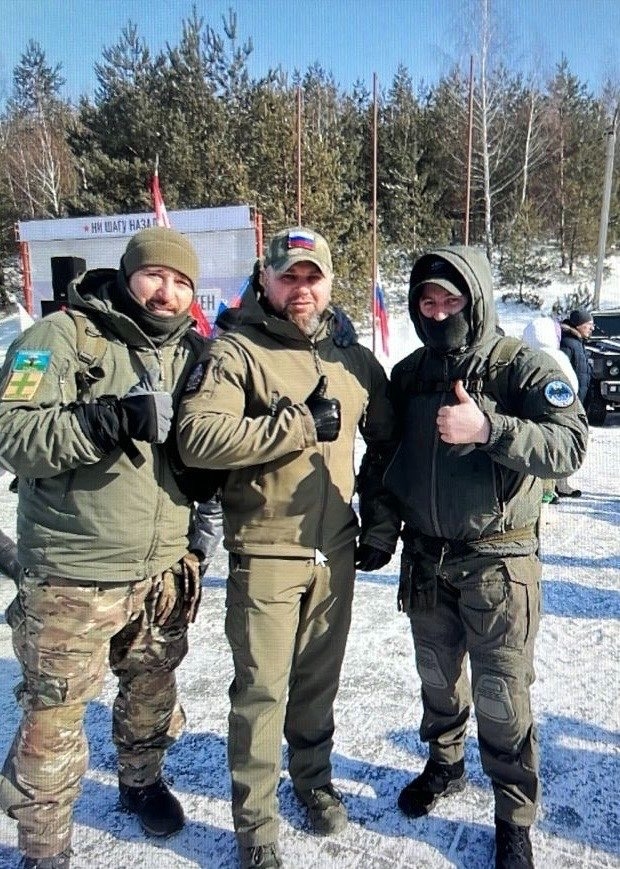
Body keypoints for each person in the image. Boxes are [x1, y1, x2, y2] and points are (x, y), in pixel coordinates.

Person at [176, 226, 399, 869]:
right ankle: (257, 824)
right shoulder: (237, 352)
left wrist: (378, 520)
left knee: (317, 686)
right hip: (266, 552)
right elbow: (199, 439)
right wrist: (299, 423)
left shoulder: (351, 359)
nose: (300, 289)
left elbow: (387, 444)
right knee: (260, 693)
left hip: (334, 550)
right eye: (288, 277)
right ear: (266, 281)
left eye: (312, 277)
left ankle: (313, 780)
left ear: (329, 283)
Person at [0, 226, 210, 869]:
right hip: (74, 571)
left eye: (181, 283)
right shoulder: (60, 337)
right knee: (54, 719)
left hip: (162, 569)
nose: (166, 292)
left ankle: (141, 781)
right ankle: (44, 848)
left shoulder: (199, 353)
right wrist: (108, 418)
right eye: (155, 276)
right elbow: (11, 433)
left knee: (150, 692)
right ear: (127, 274)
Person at [384, 246, 588, 869]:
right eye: (428, 300)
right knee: (438, 682)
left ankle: (513, 812)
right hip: (426, 561)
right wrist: (380, 526)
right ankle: (444, 766)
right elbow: (387, 459)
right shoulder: (412, 372)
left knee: (503, 696)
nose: (439, 310)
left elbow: (570, 445)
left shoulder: (523, 367)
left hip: (498, 565)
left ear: (475, 301)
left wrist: (489, 430)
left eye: (451, 300)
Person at [522, 316, 581, 500]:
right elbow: (573, 384)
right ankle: (549, 493)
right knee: (552, 453)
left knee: (533, 454)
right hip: (556, 416)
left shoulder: (522, 357)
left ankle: (540, 494)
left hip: (529, 415)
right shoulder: (558, 357)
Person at [559, 308, 594, 405]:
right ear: (579, 325)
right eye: (589, 325)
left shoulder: (578, 343)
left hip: (578, 401)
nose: (592, 328)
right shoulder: (568, 343)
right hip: (571, 400)